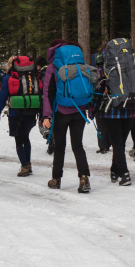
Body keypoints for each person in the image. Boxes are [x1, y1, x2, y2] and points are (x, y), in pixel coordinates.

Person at [41, 40, 91, 193]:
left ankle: (56, 179)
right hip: (80, 110)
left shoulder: (53, 67)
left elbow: (48, 93)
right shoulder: (79, 64)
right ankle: (84, 178)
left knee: (60, 146)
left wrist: (46, 116)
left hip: (61, 112)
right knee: (78, 145)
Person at [98, 39, 135, 186]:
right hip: (130, 107)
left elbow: (98, 85)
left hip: (111, 108)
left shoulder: (103, 64)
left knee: (117, 143)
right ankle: (115, 169)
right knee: (120, 142)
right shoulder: (130, 61)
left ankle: (124, 173)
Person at [0, 56, 41, 177]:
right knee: (26, 137)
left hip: (16, 113)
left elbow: (2, 98)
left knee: (19, 140)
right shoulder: (33, 77)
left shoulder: (8, 78)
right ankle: (28, 164)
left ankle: (24, 167)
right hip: (31, 111)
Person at [91, 49, 112, 155]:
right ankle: (108, 143)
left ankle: (103, 146)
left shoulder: (98, 73)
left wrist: (92, 109)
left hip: (101, 104)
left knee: (101, 126)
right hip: (112, 103)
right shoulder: (113, 71)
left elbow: (96, 91)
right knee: (109, 124)